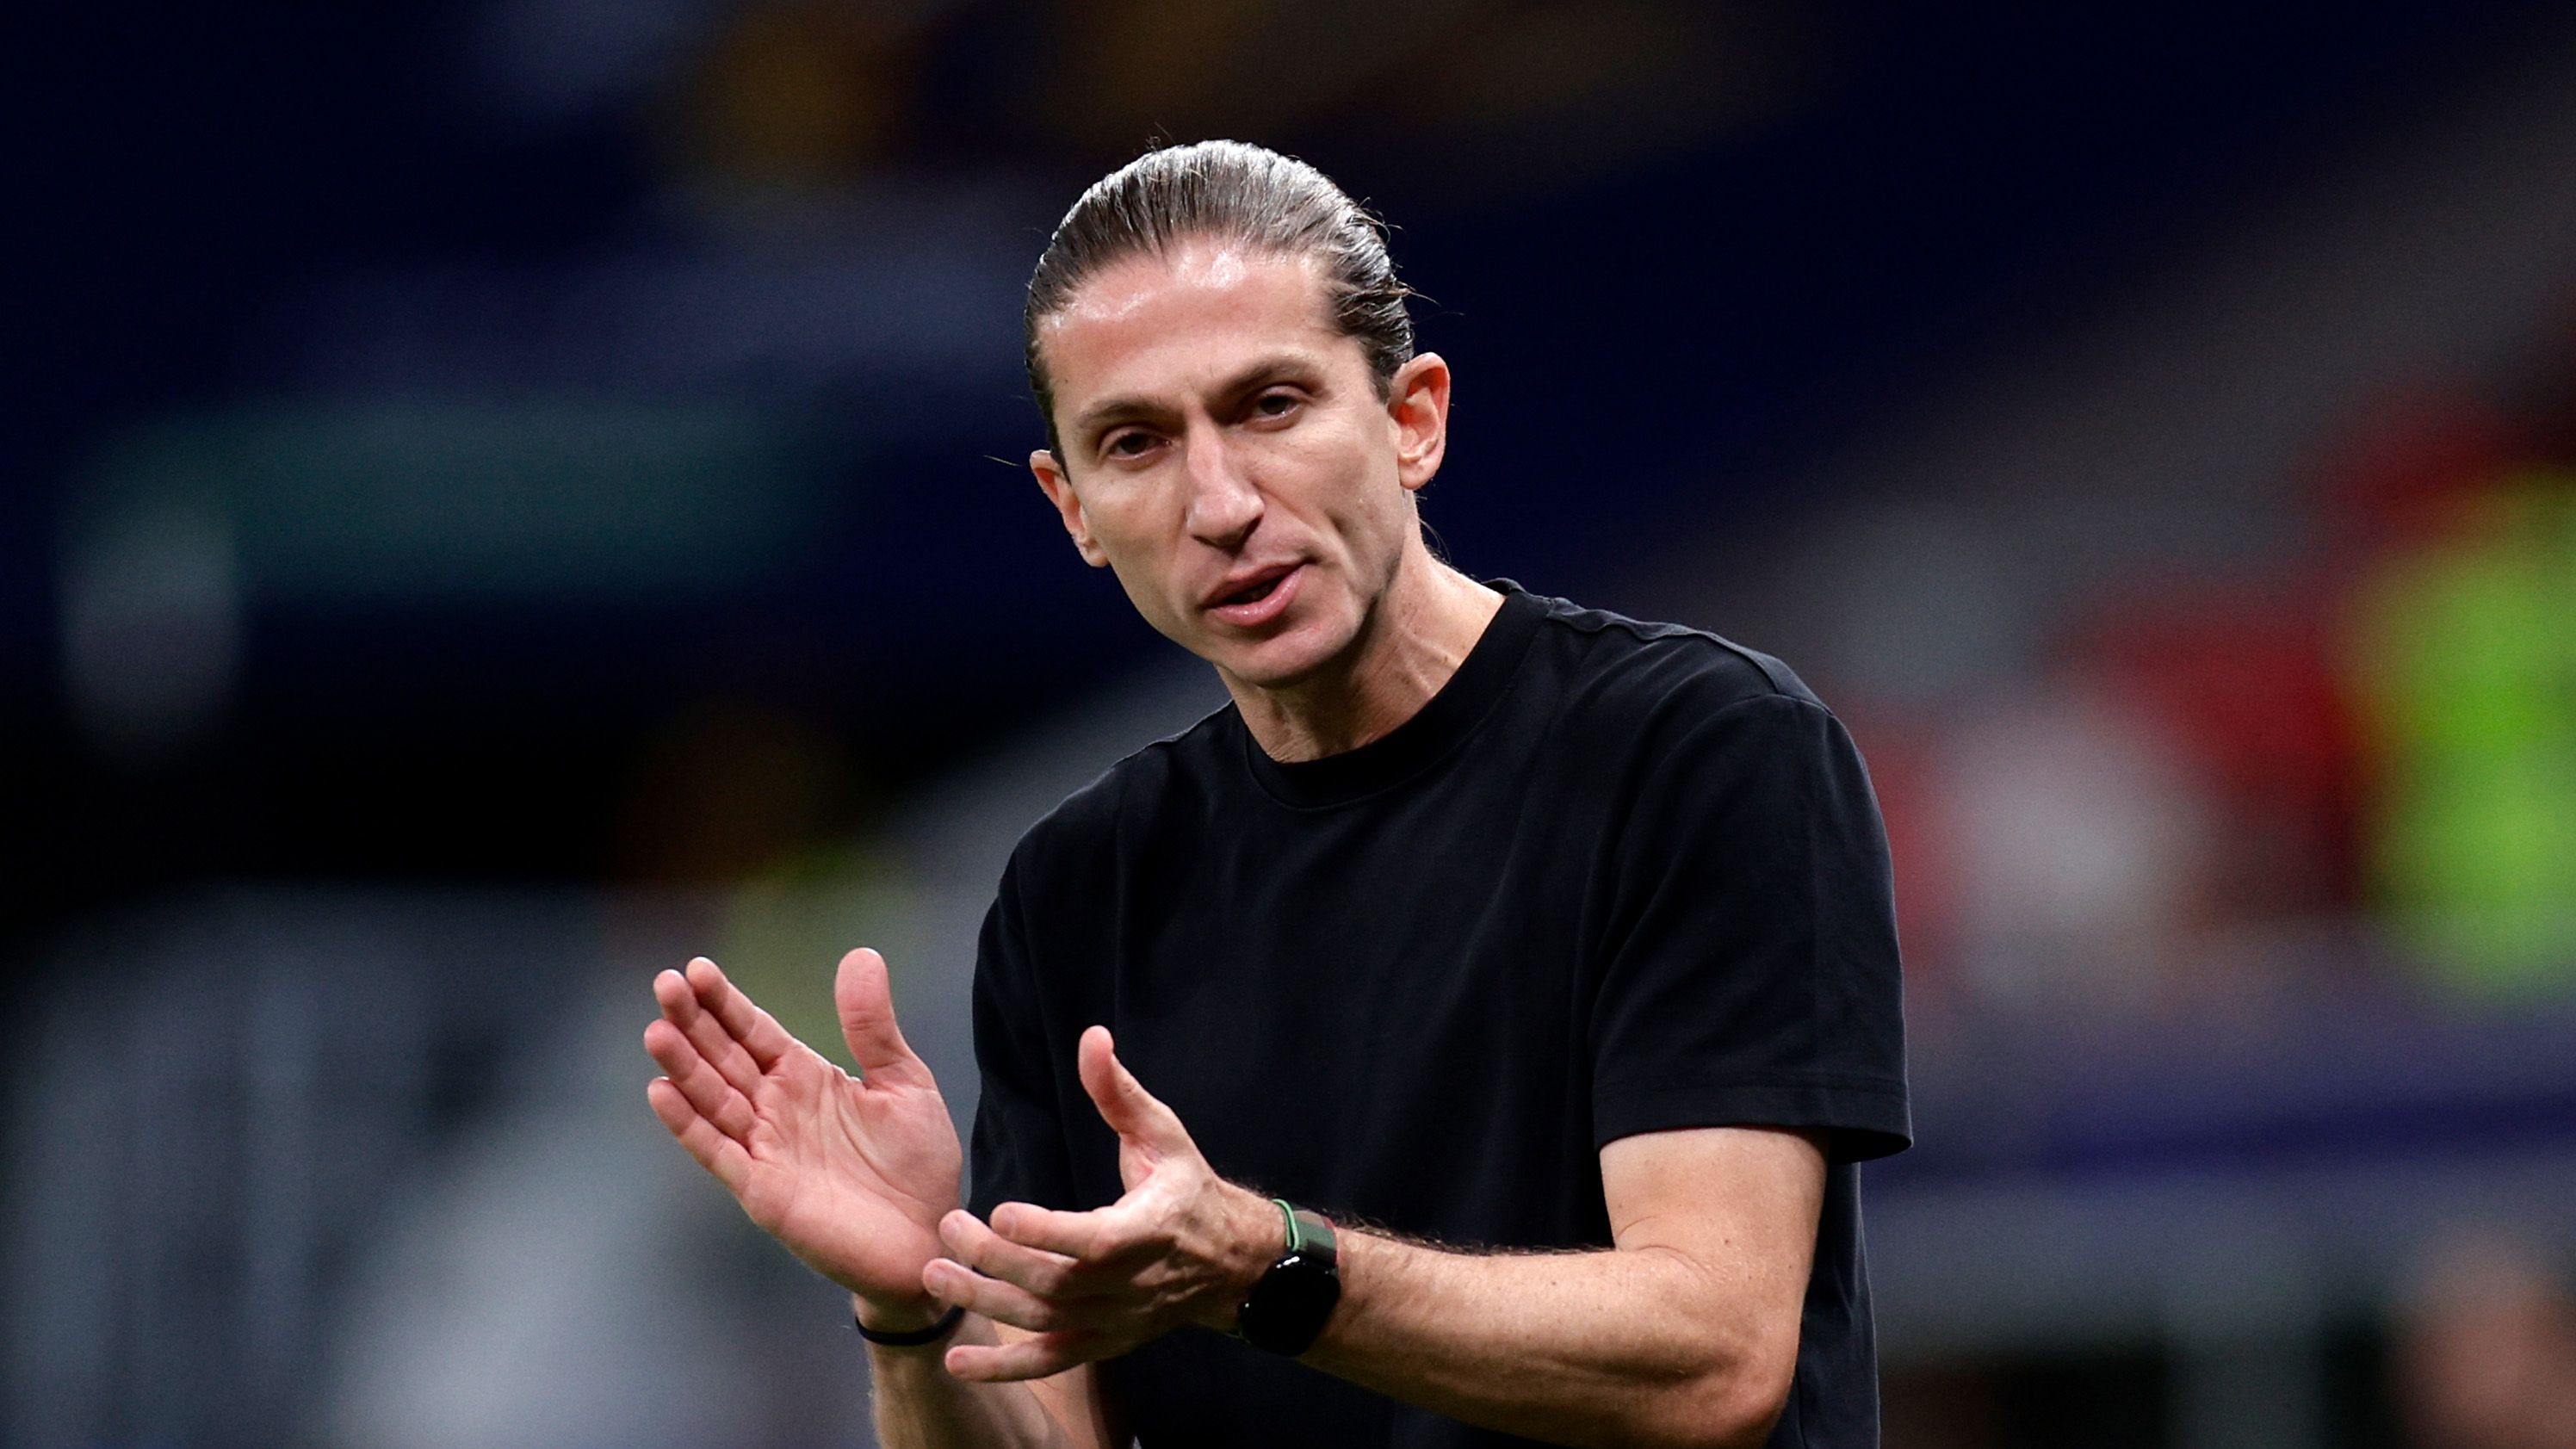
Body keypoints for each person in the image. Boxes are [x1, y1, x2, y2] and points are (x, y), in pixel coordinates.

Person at [642, 139, 1910, 1449]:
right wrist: (911, 1305)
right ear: (1073, 509)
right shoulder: (1078, 888)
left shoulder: (1699, 752)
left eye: (1270, 406)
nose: (1221, 503)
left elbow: (1713, 1359)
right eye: (1136, 442)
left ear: (1412, 419)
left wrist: (1267, 1266)